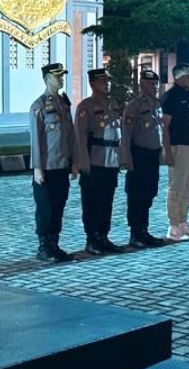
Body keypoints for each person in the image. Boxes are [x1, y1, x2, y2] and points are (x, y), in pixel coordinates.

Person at [29, 62, 78, 262]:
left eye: (62, 76)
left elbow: (70, 135)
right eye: (57, 76)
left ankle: (54, 244)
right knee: (45, 208)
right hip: (47, 166)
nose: (61, 79)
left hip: (62, 165)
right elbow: (36, 139)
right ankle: (44, 247)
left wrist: (73, 162)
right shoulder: (39, 105)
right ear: (47, 79)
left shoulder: (64, 104)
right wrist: (37, 168)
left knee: (59, 206)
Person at [75, 68, 123, 254]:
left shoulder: (113, 103)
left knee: (107, 201)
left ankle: (103, 236)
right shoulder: (85, 106)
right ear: (92, 84)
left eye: (107, 81)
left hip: (111, 160)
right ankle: (92, 239)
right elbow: (80, 137)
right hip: (95, 160)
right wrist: (83, 162)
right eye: (102, 82)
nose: (106, 84)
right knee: (92, 202)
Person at [120, 70, 166, 248]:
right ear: (141, 85)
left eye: (155, 84)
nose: (153, 87)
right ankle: (135, 233)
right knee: (136, 195)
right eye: (150, 84)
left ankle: (144, 230)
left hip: (152, 155)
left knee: (149, 193)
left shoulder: (157, 104)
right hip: (139, 155)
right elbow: (126, 134)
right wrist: (126, 158)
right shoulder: (134, 106)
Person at [161, 63, 189, 241]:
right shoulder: (171, 97)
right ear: (180, 77)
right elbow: (165, 126)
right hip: (179, 146)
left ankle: (183, 221)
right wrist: (167, 151)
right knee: (177, 186)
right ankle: (173, 225)